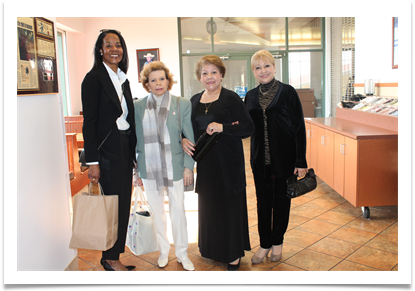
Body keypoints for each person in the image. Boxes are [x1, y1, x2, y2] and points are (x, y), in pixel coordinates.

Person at [181, 55, 255, 271]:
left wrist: (224, 127)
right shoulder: (194, 100)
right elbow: (186, 130)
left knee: (229, 208)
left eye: (214, 72)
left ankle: (232, 254)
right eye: (205, 73)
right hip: (205, 165)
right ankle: (212, 249)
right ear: (199, 77)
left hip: (228, 165)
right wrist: (183, 139)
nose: (209, 77)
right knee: (209, 207)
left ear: (221, 75)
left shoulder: (231, 98)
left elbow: (248, 127)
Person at [244, 49, 308, 264]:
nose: (263, 71)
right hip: (260, 161)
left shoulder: (288, 92)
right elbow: (245, 126)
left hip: (285, 160)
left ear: (274, 67)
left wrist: (301, 161)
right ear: (253, 71)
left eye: (267, 66)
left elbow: (299, 127)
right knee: (263, 203)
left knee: (281, 203)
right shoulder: (250, 96)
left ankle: (278, 243)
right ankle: (264, 245)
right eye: (258, 67)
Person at [81, 29, 137, 271]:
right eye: (109, 45)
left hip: (124, 146)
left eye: (118, 45)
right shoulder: (93, 78)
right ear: (100, 50)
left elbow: (128, 116)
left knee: (123, 202)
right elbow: (89, 123)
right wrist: (92, 161)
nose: (115, 49)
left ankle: (113, 256)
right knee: (111, 206)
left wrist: (132, 151)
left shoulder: (122, 78)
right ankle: (111, 258)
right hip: (106, 151)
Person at [133, 61, 196, 271]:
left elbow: (189, 137)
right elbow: (136, 139)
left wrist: (189, 166)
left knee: (178, 210)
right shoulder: (138, 106)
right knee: (157, 212)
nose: (158, 83)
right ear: (147, 84)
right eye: (153, 80)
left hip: (175, 166)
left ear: (168, 81)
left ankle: (182, 253)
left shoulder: (182, 104)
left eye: (162, 78)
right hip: (149, 168)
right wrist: (137, 170)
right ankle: (163, 251)